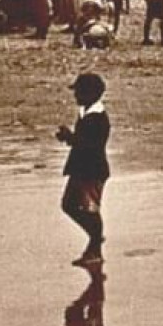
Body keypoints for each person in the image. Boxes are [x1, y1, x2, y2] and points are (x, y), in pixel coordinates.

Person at [56, 72, 111, 268]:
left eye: (78, 92)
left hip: (92, 171)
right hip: (82, 169)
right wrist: (70, 138)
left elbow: (89, 146)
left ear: (89, 94)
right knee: (69, 205)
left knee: (89, 209)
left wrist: (69, 137)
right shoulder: (88, 113)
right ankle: (95, 239)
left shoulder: (97, 119)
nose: (75, 96)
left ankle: (95, 245)